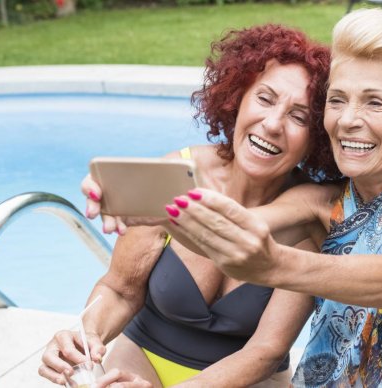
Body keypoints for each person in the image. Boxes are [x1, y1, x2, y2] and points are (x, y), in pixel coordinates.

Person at [161, 9, 382, 387]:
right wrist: (142, 206)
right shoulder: (317, 205)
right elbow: (235, 223)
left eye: (374, 102)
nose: (348, 119)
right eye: (337, 100)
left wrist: (275, 265)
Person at [37, 24, 340, 388]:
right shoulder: (173, 173)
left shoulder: (310, 217)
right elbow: (120, 289)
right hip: (139, 359)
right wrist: (85, 338)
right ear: (238, 97)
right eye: (264, 98)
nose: (273, 124)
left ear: (318, 136)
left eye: (299, 116)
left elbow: (265, 351)